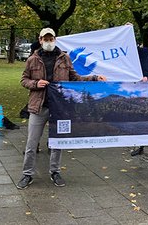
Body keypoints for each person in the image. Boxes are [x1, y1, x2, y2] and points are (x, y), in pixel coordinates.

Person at [16, 28, 106, 189]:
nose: (49, 41)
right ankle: (27, 174)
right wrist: (35, 84)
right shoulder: (33, 59)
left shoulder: (64, 58)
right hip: (39, 106)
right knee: (31, 143)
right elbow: (24, 80)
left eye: (51, 39)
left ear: (55, 39)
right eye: (46, 39)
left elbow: (75, 78)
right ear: (40, 39)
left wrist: (93, 77)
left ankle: (55, 172)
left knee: (58, 142)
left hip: (59, 107)